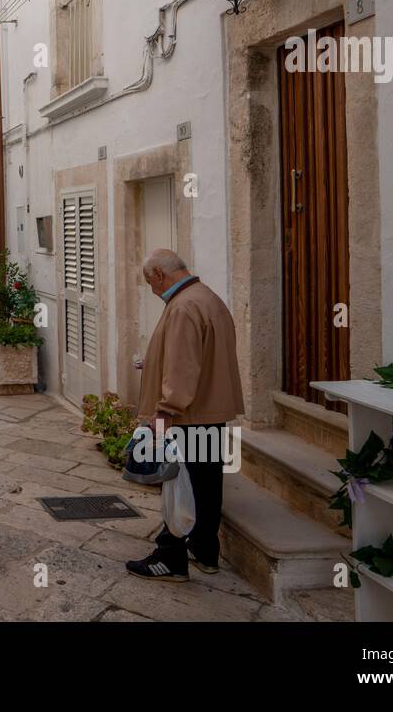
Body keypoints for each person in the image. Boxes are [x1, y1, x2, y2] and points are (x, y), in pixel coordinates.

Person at [125, 249, 243, 583]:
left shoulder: (182, 307)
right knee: (206, 484)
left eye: (150, 282)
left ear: (160, 274)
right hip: (211, 410)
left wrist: (165, 412)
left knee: (179, 488)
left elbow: (183, 367)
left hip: (188, 416)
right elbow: (199, 357)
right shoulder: (208, 298)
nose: (151, 289)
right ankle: (206, 551)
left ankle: (170, 557)